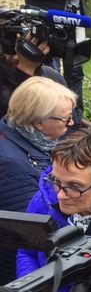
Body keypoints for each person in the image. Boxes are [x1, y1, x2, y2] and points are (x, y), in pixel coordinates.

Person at [16, 126, 91, 279]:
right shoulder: (44, 199)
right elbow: (27, 252)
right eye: (56, 180)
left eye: (74, 187)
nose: (60, 195)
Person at [0, 76, 76, 284]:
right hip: (22, 270)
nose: (71, 123)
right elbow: (33, 229)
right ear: (38, 123)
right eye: (65, 118)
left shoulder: (33, 141)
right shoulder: (12, 164)